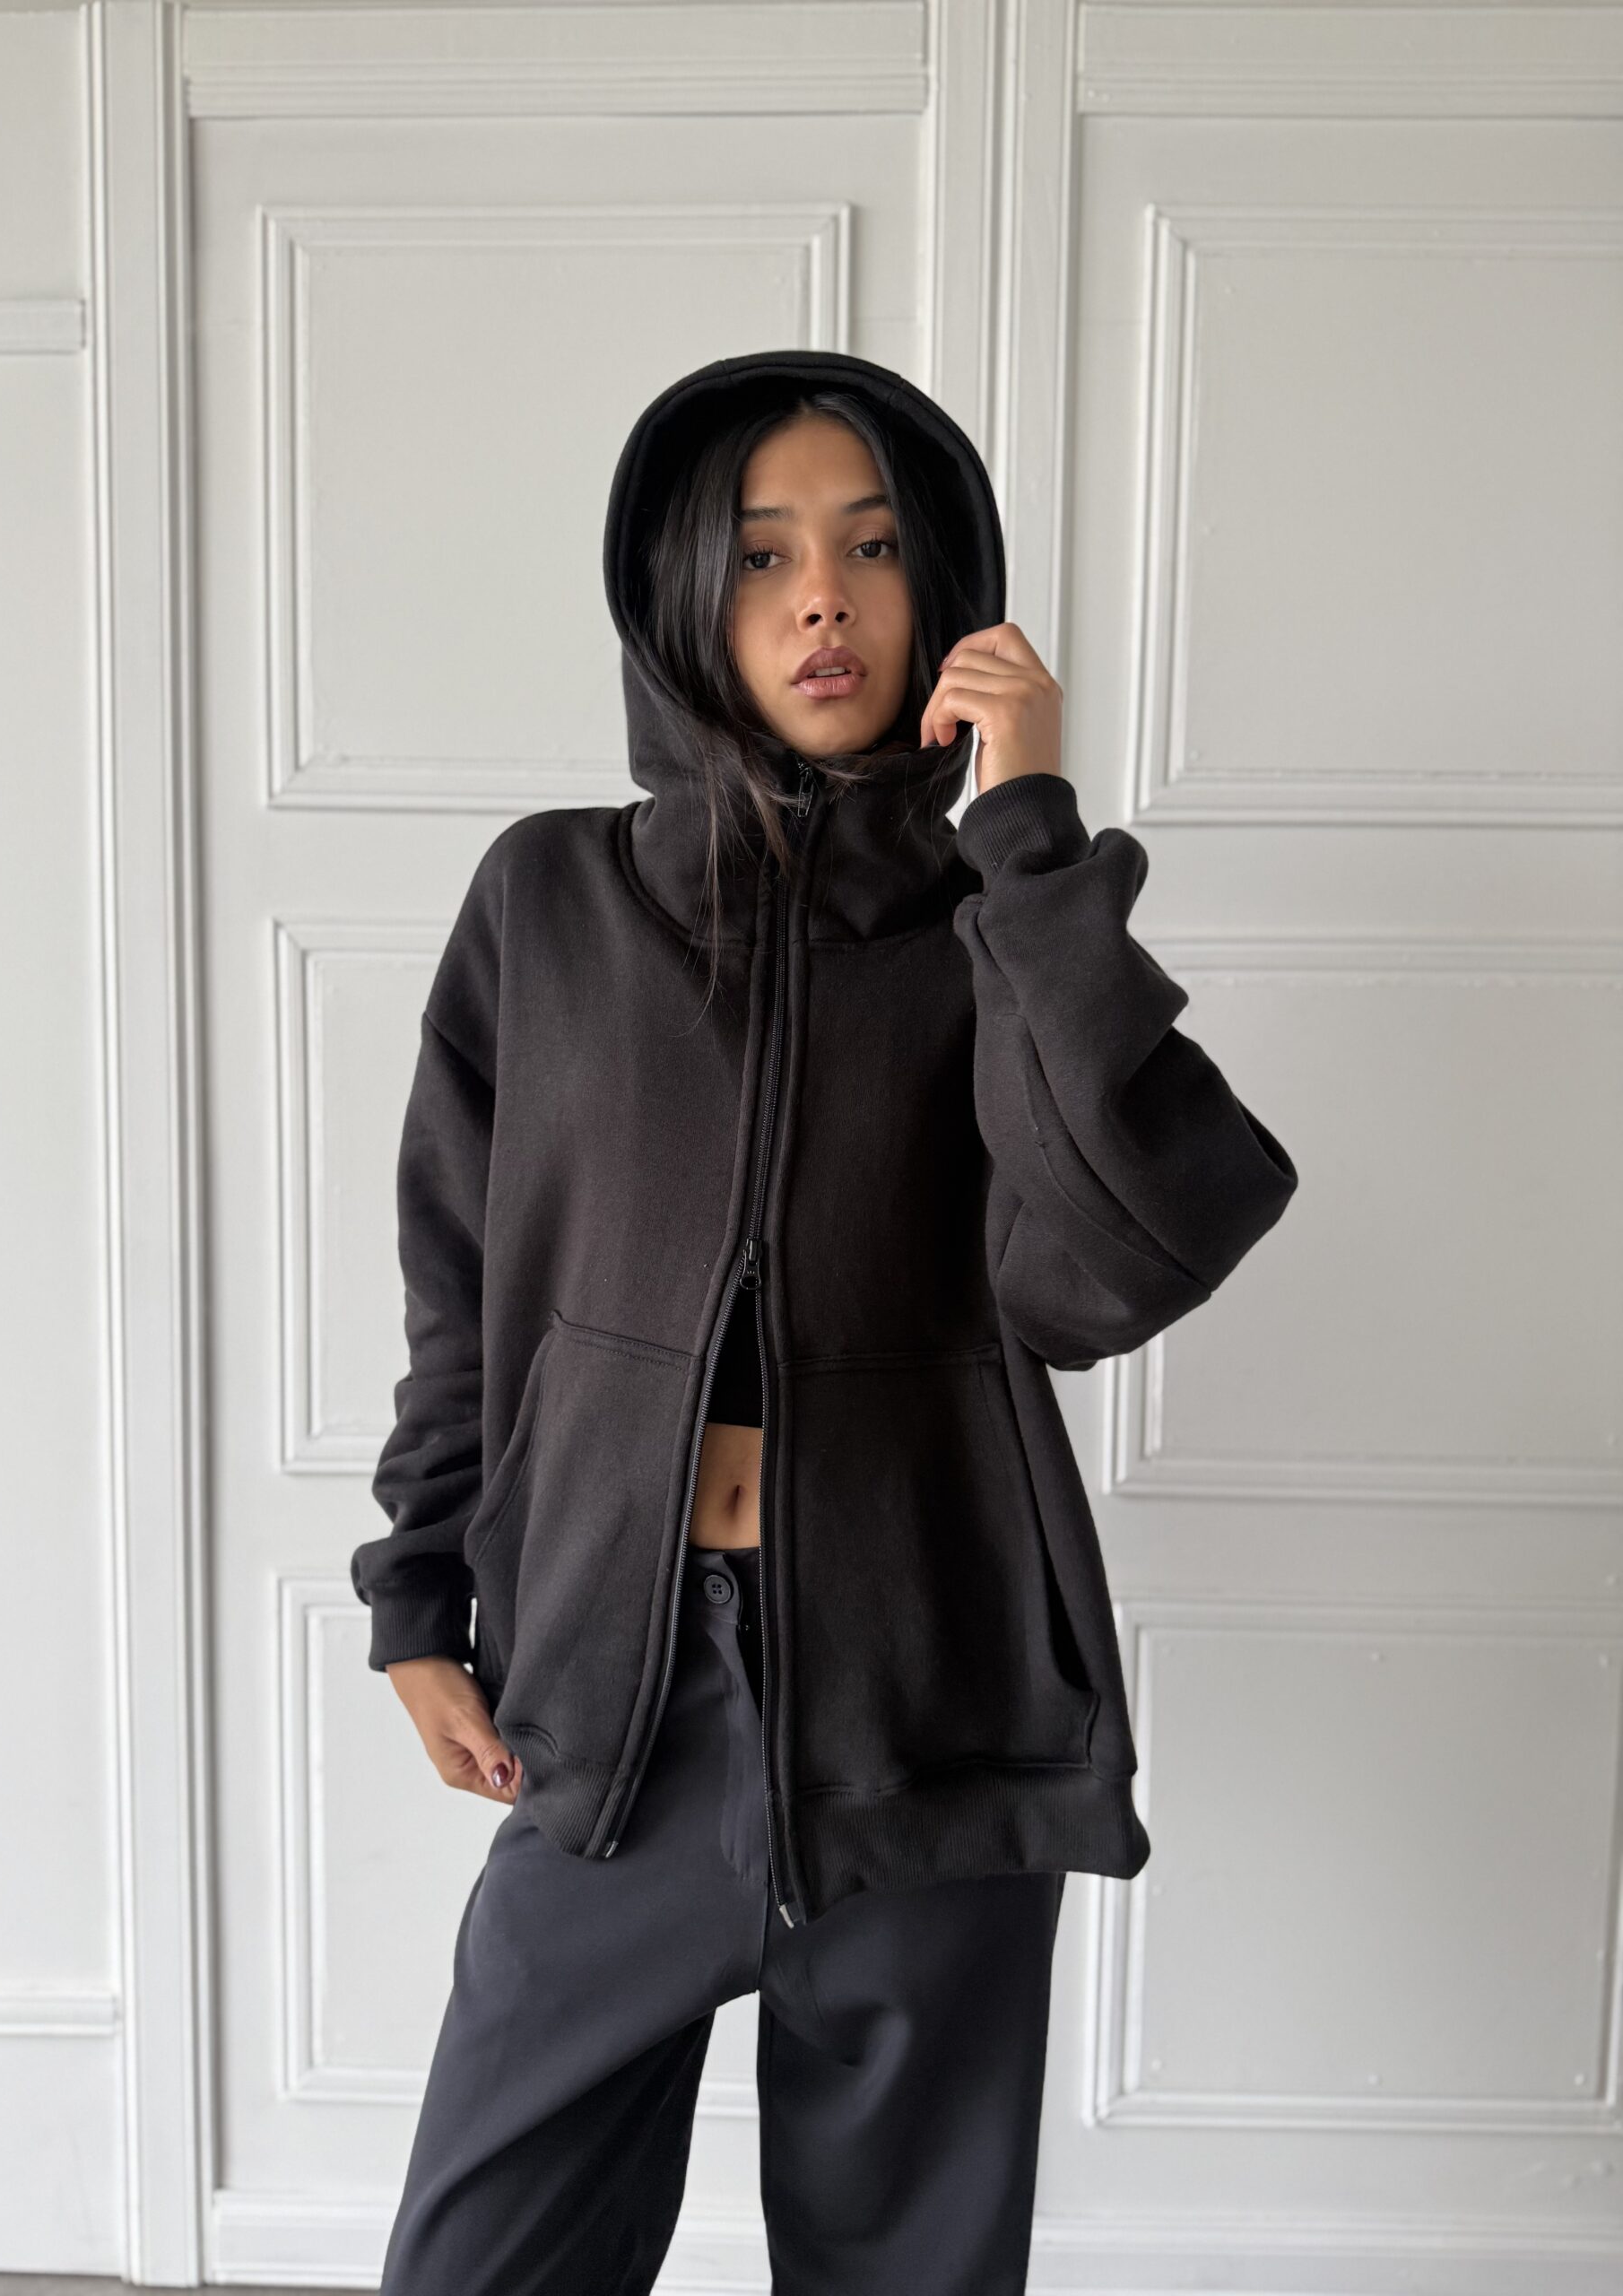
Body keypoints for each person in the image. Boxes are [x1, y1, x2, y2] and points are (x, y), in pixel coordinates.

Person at [351, 349, 1298, 2293]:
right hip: (619, 1705)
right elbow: (464, 1292)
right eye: (766, 552)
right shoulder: (547, 901)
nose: (820, 600)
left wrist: (1029, 840)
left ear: (940, 587)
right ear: (683, 594)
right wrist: (414, 1595)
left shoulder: (1000, 924)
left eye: (871, 549)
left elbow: (1116, 1261)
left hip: (930, 1710)